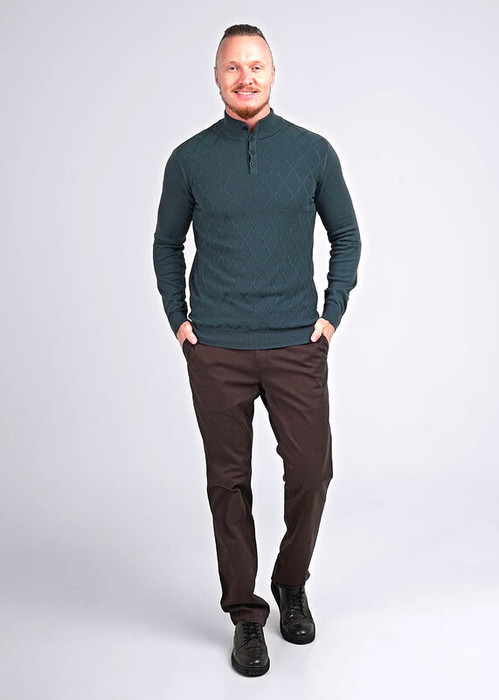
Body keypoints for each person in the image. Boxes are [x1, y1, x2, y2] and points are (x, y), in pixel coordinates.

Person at [153, 24, 361, 677]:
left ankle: (289, 581)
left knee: (311, 472)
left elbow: (347, 236)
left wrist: (329, 316)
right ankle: (245, 615)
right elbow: (166, 245)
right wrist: (180, 321)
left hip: (296, 342)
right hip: (216, 347)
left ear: (272, 73)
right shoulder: (188, 159)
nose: (245, 77)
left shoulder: (312, 152)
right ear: (217, 76)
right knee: (228, 482)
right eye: (232, 67)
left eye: (256, 66)